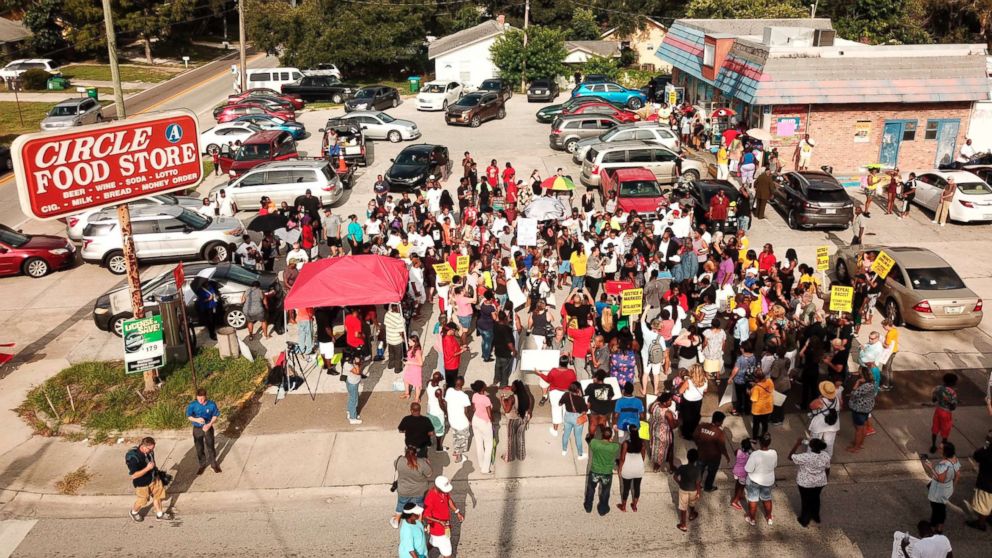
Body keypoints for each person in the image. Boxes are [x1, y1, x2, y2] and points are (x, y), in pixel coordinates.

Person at [125, 437, 173, 522]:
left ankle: (159, 514)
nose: (152, 451)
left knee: (158, 496)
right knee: (142, 500)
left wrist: (157, 473)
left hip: (154, 478)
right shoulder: (133, 458)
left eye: (153, 448)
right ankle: (134, 512)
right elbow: (134, 475)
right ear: (143, 447)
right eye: (150, 449)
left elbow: (152, 463)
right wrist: (147, 468)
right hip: (142, 483)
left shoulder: (150, 452)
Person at [790, 437, 830, 527]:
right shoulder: (825, 455)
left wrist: (797, 444)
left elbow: (791, 456)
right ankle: (816, 516)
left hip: (805, 483)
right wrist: (826, 478)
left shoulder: (805, 456)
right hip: (820, 482)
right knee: (816, 498)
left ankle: (804, 519)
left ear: (811, 447)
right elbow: (828, 468)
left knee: (806, 500)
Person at [391, 445, 433, 529]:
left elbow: (395, 465)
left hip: (404, 490)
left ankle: (396, 521)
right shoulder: (421, 462)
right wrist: (426, 462)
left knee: (401, 504)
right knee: (419, 507)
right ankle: (419, 524)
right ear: (416, 453)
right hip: (419, 491)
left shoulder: (399, 460)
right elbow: (429, 474)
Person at [923, 441, 961, 534]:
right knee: (941, 507)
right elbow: (958, 474)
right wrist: (952, 488)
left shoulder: (943, 466)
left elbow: (940, 479)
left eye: (940, 448)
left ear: (945, 452)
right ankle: (939, 527)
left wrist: (930, 467)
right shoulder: (954, 459)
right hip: (946, 488)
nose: (938, 449)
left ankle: (934, 527)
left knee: (937, 508)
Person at [423, 476, 463, 558]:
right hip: (439, 529)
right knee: (447, 553)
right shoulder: (430, 497)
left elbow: (449, 500)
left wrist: (457, 512)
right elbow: (426, 515)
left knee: (433, 541)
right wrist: (439, 521)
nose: (447, 492)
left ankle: (423, 552)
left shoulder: (444, 491)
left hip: (444, 526)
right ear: (438, 487)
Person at [584, 425, 619, 516]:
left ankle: (588, 506)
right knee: (605, 492)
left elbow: (588, 437)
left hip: (595, 471)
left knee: (591, 490)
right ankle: (602, 509)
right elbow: (617, 445)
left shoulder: (595, 443)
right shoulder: (614, 446)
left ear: (602, 435)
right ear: (610, 437)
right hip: (607, 473)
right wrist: (615, 435)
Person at [744, 435, 778, 526]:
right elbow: (774, 465)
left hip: (754, 481)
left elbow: (748, 469)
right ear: (769, 442)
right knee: (767, 499)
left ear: (759, 443)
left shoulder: (755, 454)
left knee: (753, 500)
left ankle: (752, 519)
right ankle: (769, 517)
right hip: (768, 481)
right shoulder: (774, 452)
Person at [185, 388, 221, 475]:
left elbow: (215, 415)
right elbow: (189, 416)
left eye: (202, 398)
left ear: (205, 396)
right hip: (197, 428)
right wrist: (197, 420)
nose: (200, 400)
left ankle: (213, 464)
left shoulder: (211, 404)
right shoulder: (193, 405)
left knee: (210, 446)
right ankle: (202, 464)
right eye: (198, 398)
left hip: (208, 428)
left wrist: (209, 424)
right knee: (199, 448)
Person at [693, 411, 731, 492]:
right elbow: (722, 447)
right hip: (714, 458)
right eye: (721, 421)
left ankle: (696, 485)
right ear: (718, 421)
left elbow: (695, 436)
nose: (721, 423)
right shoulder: (719, 433)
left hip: (701, 454)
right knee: (711, 472)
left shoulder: (702, 426)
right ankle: (708, 487)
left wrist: (699, 445)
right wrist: (727, 456)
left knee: (699, 470)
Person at [966, 430, 992, 531]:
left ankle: (981, 524)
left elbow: (977, 455)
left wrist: (986, 445)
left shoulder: (988, 451)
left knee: (984, 505)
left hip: (987, 484)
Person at [616, 424, 646, 513]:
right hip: (639, 467)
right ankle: (634, 506)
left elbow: (622, 458)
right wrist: (640, 463)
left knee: (626, 488)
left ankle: (623, 506)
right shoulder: (642, 442)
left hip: (628, 467)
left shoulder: (626, 443)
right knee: (637, 487)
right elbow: (643, 456)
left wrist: (620, 469)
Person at [673, 447, 703, 532]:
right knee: (692, 503)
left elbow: (675, 477)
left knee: (683, 507)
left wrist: (680, 483)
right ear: (696, 459)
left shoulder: (682, 467)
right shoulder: (697, 470)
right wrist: (698, 492)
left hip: (683, 489)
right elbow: (697, 483)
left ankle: (683, 524)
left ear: (687, 457)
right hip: (693, 490)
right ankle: (692, 514)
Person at [846, 370, 877, 453]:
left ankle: (856, 447)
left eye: (860, 374)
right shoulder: (872, 383)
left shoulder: (865, 386)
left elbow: (853, 393)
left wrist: (858, 382)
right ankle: (860, 443)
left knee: (859, 429)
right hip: (866, 408)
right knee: (863, 427)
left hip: (859, 409)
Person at [444, 377, 471, 463]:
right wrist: (469, 420)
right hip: (462, 422)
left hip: (452, 420)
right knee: (462, 439)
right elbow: (466, 411)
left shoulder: (449, 391)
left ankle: (456, 450)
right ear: (462, 384)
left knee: (456, 436)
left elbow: (446, 403)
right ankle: (459, 457)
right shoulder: (464, 396)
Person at [930, 373, 959, 454]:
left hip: (938, 410)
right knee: (945, 429)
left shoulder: (937, 388)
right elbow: (953, 407)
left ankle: (933, 446)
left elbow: (934, 400)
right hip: (946, 413)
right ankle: (943, 446)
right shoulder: (952, 393)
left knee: (935, 428)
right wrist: (948, 401)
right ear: (952, 383)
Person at [649, 392, 677, 472]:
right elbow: (672, 426)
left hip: (655, 431)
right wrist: (678, 422)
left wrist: (658, 398)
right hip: (665, 434)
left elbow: (650, 410)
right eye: (669, 400)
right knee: (670, 449)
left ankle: (656, 466)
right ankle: (671, 467)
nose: (671, 402)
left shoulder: (655, 406)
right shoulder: (667, 413)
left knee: (656, 448)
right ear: (665, 403)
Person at [470, 380, 494, 474]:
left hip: (475, 419)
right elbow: (489, 413)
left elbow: (473, 408)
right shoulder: (486, 399)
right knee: (489, 445)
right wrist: (491, 421)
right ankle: (485, 468)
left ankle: (481, 464)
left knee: (479, 443)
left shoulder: (474, 396)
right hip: (485, 422)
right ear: (482, 388)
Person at [678, 364, 707, 440]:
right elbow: (705, 391)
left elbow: (680, 391)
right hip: (698, 401)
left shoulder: (688, 381)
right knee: (695, 416)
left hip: (687, 401)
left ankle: (686, 434)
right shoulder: (705, 380)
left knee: (687, 418)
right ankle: (693, 431)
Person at [560, 381, 588, 459]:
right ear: (578, 390)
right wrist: (587, 405)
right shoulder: (580, 399)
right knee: (578, 437)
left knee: (566, 434)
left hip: (568, 416)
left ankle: (564, 450)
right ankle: (580, 454)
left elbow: (560, 403)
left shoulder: (566, 395)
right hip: (577, 418)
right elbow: (584, 411)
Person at [585, 370, 615, 437]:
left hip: (594, 409)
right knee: (603, 422)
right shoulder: (609, 386)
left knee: (593, 424)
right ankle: (604, 436)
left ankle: (591, 438)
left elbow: (586, 392)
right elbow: (610, 397)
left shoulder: (591, 386)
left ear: (596, 377)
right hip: (605, 409)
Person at [749, 369, 775, 440]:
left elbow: (754, 399)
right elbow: (771, 389)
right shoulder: (769, 381)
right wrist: (756, 385)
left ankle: (754, 439)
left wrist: (750, 392)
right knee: (765, 423)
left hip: (758, 410)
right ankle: (764, 437)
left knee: (756, 425)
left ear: (757, 379)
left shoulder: (756, 388)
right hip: (768, 407)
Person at [730, 438, 753, 512]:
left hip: (736, 471)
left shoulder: (738, 451)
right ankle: (735, 500)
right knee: (742, 486)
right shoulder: (750, 455)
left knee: (738, 483)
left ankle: (738, 494)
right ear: (749, 447)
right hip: (743, 473)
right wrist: (751, 447)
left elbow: (735, 452)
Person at [400, 335, 424, 402]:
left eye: (410, 341)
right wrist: (406, 360)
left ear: (414, 342)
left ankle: (417, 398)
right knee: (406, 380)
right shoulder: (411, 348)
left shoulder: (417, 351)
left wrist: (409, 362)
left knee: (417, 384)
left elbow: (421, 363)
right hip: (409, 368)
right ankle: (407, 393)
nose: (408, 342)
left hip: (416, 370)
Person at [385, 303, 406, 374]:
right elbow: (401, 332)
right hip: (397, 340)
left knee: (391, 353)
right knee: (398, 356)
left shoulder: (387, 314)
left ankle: (391, 365)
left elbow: (386, 324)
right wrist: (404, 339)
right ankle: (397, 369)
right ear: (398, 308)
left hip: (389, 338)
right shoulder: (400, 319)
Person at [345, 357, 364, 425]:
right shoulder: (347, 364)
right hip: (353, 384)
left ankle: (350, 412)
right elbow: (357, 372)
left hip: (353, 382)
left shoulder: (350, 362)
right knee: (354, 400)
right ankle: (353, 418)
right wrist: (356, 364)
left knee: (351, 398)